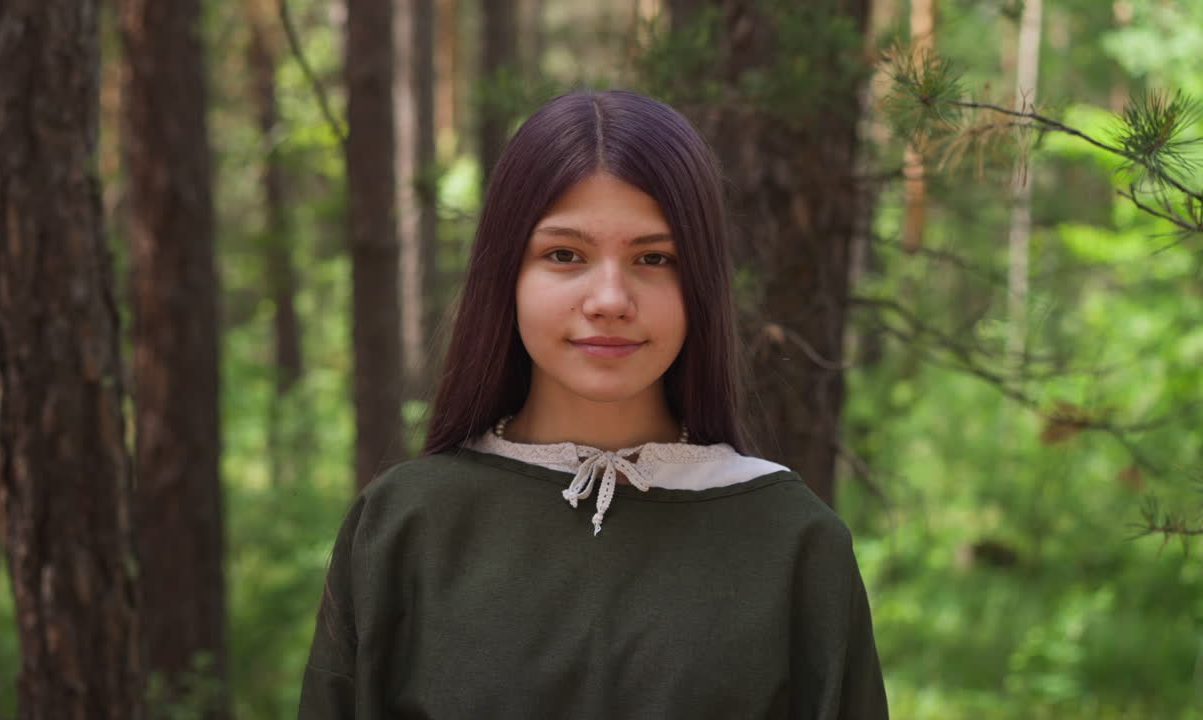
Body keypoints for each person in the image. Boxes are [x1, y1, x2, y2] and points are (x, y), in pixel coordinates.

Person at [298, 89, 888, 719]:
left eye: (655, 258)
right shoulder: (402, 527)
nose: (610, 297)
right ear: (507, 275)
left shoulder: (794, 544)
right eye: (565, 255)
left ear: (702, 286)